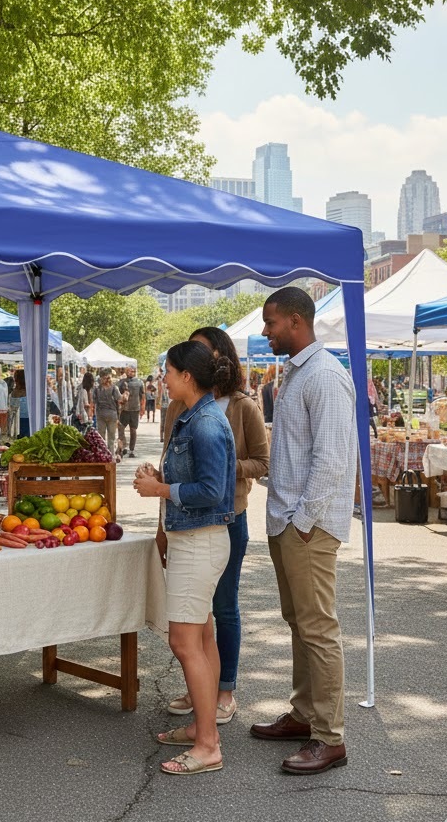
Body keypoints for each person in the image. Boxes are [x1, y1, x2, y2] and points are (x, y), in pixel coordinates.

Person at [253, 286, 355, 775]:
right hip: (289, 521)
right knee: (300, 624)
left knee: (318, 629)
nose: (266, 331)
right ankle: (303, 715)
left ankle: (329, 737)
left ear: (295, 320)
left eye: (271, 323)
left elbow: (332, 458)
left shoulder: (326, 376)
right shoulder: (298, 372)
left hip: (306, 527)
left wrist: (305, 521)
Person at [133, 341, 235, 776]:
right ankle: (203, 727)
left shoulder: (207, 423)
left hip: (199, 542)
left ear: (187, 377)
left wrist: (161, 490)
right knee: (203, 638)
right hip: (195, 539)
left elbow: (212, 491)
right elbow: (197, 480)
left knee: (184, 642)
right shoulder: (196, 416)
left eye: (168, 371)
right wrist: (163, 479)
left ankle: (209, 744)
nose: (164, 379)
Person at [159, 327, 270, 726]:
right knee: (198, 622)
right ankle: (202, 694)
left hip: (221, 520)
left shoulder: (234, 409)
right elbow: (173, 463)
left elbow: (258, 462)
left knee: (220, 610)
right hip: (187, 522)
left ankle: (223, 691)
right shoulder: (184, 409)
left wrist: (222, 467)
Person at [116, 366, 145, 458]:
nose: (130, 372)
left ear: (135, 372)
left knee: (133, 430)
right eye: (128, 371)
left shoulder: (140, 382)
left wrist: (143, 408)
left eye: (132, 371)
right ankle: (123, 446)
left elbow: (143, 396)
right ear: (126, 371)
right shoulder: (121, 382)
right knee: (121, 428)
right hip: (124, 410)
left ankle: (131, 449)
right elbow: (117, 395)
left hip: (135, 409)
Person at [92, 368, 121, 456]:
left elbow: (93, 401)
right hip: (112, 414)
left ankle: (102, 455)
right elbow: (119, 399)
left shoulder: (97, 389)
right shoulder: (114, 388)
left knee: (101, 437)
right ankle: (111, 456)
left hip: (100, 414)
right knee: (111, 438)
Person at [9, 369, 29, 437]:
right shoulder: (30, 392)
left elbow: (12, 408)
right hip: (28, 420)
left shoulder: (14, 392)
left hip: (17, 421)